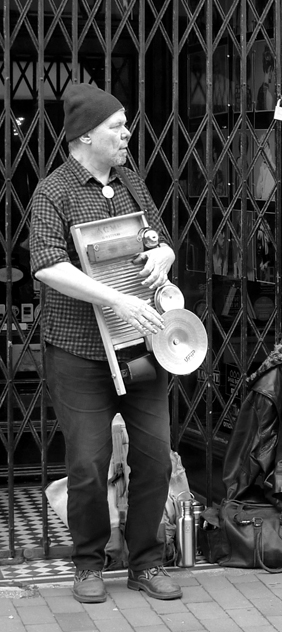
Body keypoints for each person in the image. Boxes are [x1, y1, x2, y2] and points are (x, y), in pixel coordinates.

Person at [29, 83, 182, 603]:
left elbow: (157, 240)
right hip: (79, 351)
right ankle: (89, 563)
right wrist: (114, 300)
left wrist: (164, 257)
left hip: (142, 343)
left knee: (156, 458)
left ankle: (146, 562)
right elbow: (48, 263)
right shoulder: (53, 192)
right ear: (85, 135)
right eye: (116, 126)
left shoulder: (133, 184)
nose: (126, 134)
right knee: (89, 464)